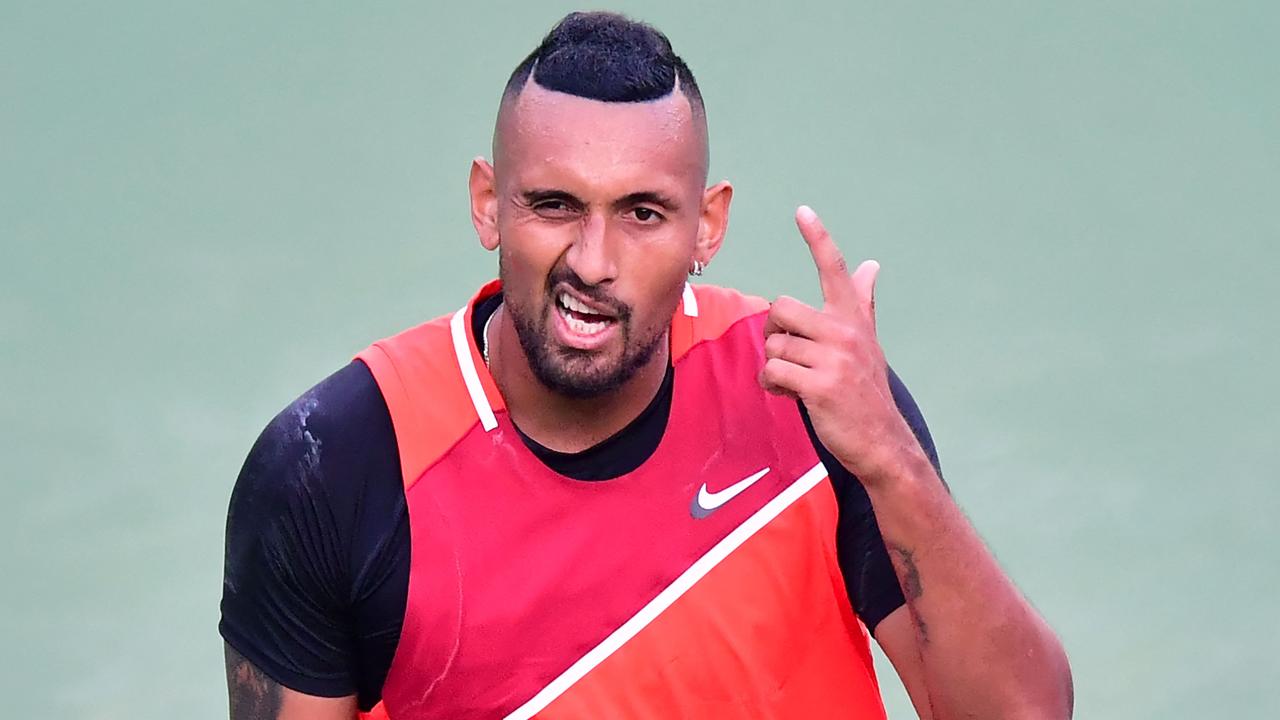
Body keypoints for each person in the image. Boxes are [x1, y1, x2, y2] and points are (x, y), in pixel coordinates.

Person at [220, 11, 1073, 720]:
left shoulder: (812, 398)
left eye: (643, 213)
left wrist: (890, 458)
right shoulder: (334, 472)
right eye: (554, 204)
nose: (593, 261)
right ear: (489, 205)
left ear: (708, 227)